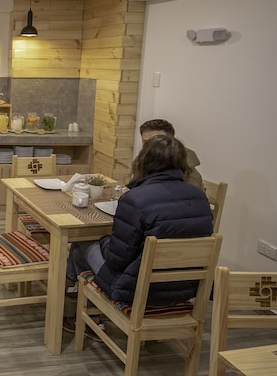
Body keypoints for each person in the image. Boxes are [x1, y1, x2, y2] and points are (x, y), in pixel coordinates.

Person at [63, 134, 213, 332]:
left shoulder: (135, 199)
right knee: (86, 249)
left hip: (138, 290)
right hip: (185, 288)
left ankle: (86, 308)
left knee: (83, 241)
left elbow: (116, 259)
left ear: (144, 161)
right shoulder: (200, 197)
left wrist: (104, 239)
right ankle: (75, 292)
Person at [139, 118, 203, 189]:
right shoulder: (140, 165)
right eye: (145, 142)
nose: (149, 147)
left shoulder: (190, 176)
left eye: (157, 142)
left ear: (171, 142)